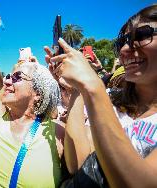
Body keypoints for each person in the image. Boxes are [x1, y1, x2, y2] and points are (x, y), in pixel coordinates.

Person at [47, 4, 157, 187]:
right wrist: (78, 89)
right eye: (122, 41)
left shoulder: (101, 96)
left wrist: (93, 85)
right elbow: (78, 164)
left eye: (142, 35)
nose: (124, 50)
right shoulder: (110, 99)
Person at [0, 57, 66, 187]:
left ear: (38, 92)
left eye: (17, 77)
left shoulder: (58, 132)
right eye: (8, 76)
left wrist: (74, 89)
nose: (6, 81)